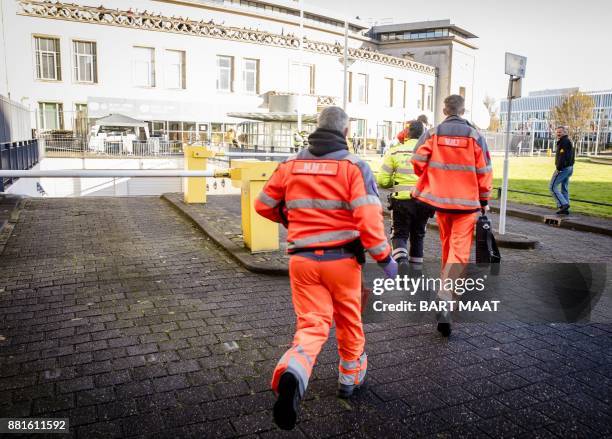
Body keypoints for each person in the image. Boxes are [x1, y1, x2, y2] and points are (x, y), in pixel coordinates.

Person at [255, 106, 397, 430]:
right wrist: (385, 259)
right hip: (343, 261)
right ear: (346, 132)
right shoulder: (354, 167)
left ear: (317, 128)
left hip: (302, 260)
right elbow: (369, 222)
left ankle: (294, 371)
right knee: (349, 319)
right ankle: (349, 377)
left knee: (311, 325)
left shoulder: (290, 165)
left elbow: (262, 204)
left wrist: (291, 221)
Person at [411, 95, 492, 336]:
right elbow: (485, 170)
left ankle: (444, 291)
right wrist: (484, 199)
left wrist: (435, 175)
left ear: (444, 110)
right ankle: (446, 297)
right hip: (467, 204)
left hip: (441, 203)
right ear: (463, 110)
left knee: (448, 248)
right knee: (458, 252)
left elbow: (417, 162)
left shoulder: (433, 133)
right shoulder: (475, 135)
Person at [377, 121, 434, 275]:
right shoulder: (429, 152)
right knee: (418, 234)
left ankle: (401, 260)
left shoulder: (395, 152)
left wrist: (393, 182)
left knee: (399, 234)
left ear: (407, 134)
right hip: (424, 201)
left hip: (401, 202)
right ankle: (416, 272)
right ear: (423, 134)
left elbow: (383, 180)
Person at [549, 126, 574, 215]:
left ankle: (563, 205)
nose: (558, 134)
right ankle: (565, 209)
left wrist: (559, 168)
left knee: (552, 187)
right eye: (557, 132)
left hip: (563, 168)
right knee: (564, 188)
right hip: (569, 168)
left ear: (564, 132)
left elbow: (562, 157)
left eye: (560, 132)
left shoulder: (563, 142)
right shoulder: (568, 141)